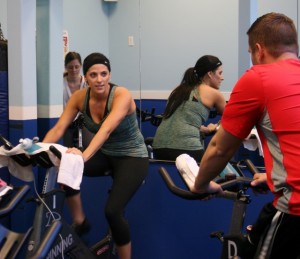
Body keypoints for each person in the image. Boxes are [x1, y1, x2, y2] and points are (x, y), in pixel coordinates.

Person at [192, 13, 300, 259]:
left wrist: (200, 185)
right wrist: (273, 176)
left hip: (295, 208)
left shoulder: (258, 78)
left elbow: (221, 148)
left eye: (250, 53)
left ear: (259, 50)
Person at [43, 52, 149, 259]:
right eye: (93, 75)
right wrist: (39, 149)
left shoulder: (121, 95)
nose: (99, 79)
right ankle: (81, 222)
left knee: (112, 211)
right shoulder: (79, 98)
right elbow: (59, 129)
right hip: (106, 154)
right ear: (86, 76)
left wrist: (82, 157)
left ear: (109, 74)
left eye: (104, 74)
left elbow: (106, 130)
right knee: (66, 169)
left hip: (132, 157)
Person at [152, 55, 226, 161]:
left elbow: (181, 120)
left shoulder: (178, 90)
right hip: (186, 149)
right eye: (220, 73)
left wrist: (202, 128)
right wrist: (216, 127)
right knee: (213, 168)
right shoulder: (214, 93)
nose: (222, 78)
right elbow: (233, 119)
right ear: (210, 74)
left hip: (159, 148)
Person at [63, 51, 87, 147]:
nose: (74, 70)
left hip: (84, 123)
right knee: (66, 149)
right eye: (70, 67)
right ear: (65, 67)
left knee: (86, 147)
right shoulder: (60, 83)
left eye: (76, 67)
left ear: (80, 66)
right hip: (65, 122)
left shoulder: (87, 83)